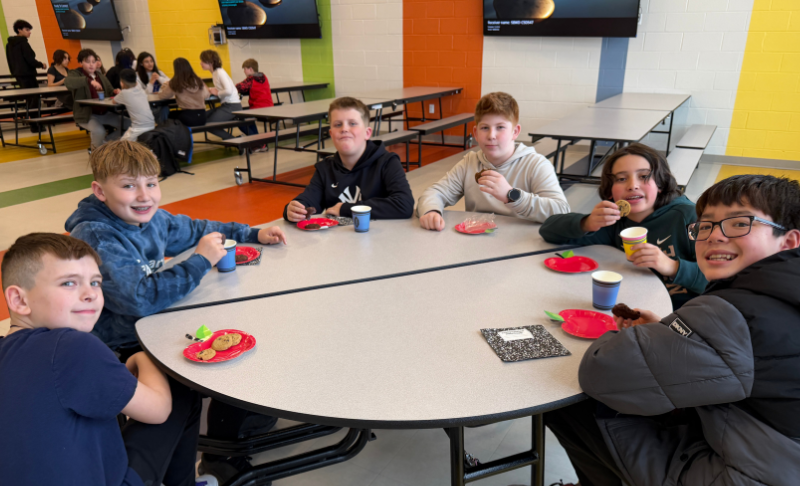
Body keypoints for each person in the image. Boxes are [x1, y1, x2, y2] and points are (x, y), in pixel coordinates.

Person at [505, 174, 800, 486]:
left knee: (565, 393)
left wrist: (666, 336)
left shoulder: (741, 311)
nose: (715, 236)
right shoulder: (779, 296)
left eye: (739, 223)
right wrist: (671, 332)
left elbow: (602, 370)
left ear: (789, 240)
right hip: (780, 483)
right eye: (707, 225)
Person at [65, 140, 288, 486]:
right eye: (128, 185)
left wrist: (251, 232)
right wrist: (200, 261)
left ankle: (244, 421)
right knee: (205, 374)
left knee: (246, 335)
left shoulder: (153, 218)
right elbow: (138, 298)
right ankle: (197, 475)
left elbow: (199, 228)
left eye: (151, 184)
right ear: (99, 191)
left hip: (159, 322)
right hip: (123, 345)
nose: (144, 196)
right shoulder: (96, 235)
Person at [0, 232, 219, 486]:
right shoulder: (71, 346)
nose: (90, 294)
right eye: (69, 283)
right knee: (179, 389)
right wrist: (141, 359)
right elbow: (159, 410)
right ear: (19, 299)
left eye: (95, 282)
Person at [539, 143, 706, 309]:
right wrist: (587, 223)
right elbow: (548, 230)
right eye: (621, 179)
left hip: (685, 313)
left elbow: (720, 279)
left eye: (643, 176)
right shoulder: (614, 222)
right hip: (634, 306)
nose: (632, 185)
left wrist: (672, 266)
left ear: (660, 183)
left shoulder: (688, 217)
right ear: (610, 190)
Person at [416, 92, 569, 229]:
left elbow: (561, 211)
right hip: (477, 243)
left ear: (515, 132)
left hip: (519, 246)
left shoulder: (536, 165)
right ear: (475, 133)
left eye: (500, 127)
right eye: (484, 128)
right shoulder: (469, 163)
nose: (491, 135)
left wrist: (511, 195)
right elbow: (435, 193)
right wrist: (432, 211)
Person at [283, 96, 414, 222]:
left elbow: (404, 204)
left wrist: (346, 209)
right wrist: (294, 209)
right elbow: (309, 201)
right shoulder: (325, 169)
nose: (344, 129)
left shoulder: (387, 162)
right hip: (339, 241)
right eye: (338, 124)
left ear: (367, 133)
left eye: (352, 123)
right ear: (331, 134)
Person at [64, 48, 119, 150]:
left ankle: (105, 143)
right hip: (87, 114)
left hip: (104, 113)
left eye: (93, 62)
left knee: (128, 124)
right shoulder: (75, 74)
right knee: (99, 131)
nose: (91, 65)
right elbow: (69, 83)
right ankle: (95, 153)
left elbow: (110, 90)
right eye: (87, 62)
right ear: (81, 62)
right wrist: (89, 81)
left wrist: (116, 91)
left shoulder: (101, 76)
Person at [5, 19, 46, 130]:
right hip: (28, 75)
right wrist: (41, 65)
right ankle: (36, 124)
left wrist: (15, 73)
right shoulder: (23, 43)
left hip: (19, 76)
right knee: (35, 100)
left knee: (29, 100)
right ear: (19, 30)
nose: (29, 32)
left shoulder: (9, 45)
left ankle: (33, 123)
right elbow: (30, 60)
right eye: (27, 30)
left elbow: (10, 62)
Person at [199, 49, 242, 141]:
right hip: (226, 105)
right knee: (203, 118)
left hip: (232, 106)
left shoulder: (219, 72)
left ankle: (234, 141)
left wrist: (218, 92)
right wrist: (210, 90)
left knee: (209, 125)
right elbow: (223, 89)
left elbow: (229, 91)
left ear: (210, 62)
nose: (200, 63)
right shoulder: (215, 72)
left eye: (202, 61)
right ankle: (233, 140)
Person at [159, 57, 210, 128]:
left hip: (188, 116)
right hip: (202, 117)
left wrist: (165, 85)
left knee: (168, 115)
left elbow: (162, 96)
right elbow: (207, 95)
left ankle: (172, 137)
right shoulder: (198, 80)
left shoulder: (175, 82)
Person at [113, 68, 155, 140]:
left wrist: (121, 91)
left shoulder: (124, 93)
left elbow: (114, 101)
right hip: (152, 125)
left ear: (121, 82)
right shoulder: (140, 90)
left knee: (121, 146)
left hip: (138, 129)